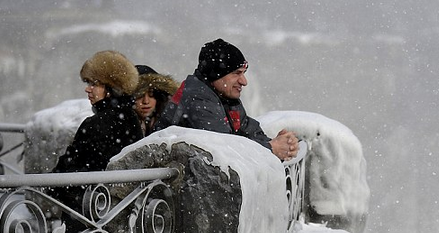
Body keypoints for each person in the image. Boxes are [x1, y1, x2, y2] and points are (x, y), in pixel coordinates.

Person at [155, 38, 298, 160]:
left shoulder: (224, 98)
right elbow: (223, 149)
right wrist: (270, 148)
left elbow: (248, 131)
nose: (244, 81)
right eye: (237, 73)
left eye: (243, 73)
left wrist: (277, 144)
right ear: (216, 74)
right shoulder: (197, 100)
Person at [53, 50, 143, 173]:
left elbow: (71, 169)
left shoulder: (97, 123)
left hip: (94, 190)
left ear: (112, 88)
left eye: (94, 84)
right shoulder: (130, 117)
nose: (87, 89)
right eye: (88, 83)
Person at [133, 65, 179, 136]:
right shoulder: (119, 127)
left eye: (151, 94)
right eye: (140, 95)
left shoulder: (173, 124)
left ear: (159, 97)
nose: (146, 101)